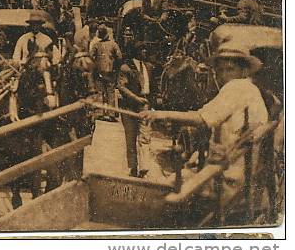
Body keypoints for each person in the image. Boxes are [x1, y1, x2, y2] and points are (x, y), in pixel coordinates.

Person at [145, 43, 268, 201]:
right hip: (240, 164)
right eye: (220, 70)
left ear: (243, 70)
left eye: (230, 69)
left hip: (228, 172)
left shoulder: (236, 87)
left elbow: (202, 118)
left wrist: (162, 114)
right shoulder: (249, 88)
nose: (223, 75)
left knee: (163, 188)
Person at [117, 28, 151, 177]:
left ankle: (144, 167)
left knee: (145, 137)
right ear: (136, 51)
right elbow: (121, 87)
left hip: (144, 106)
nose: (144, 51)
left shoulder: (148, 67)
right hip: (130, 107)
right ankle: (133, 167)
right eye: (141, 49)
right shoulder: (126, 68)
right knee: (130, 138)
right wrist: (136, 98)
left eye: (145, 49)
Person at [89, 25, 123, 114]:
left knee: (100, 91)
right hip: (111, 71)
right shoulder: (114, 44)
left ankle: (100, 112)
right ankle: (111, 113)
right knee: (110, 92)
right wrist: (116, 67)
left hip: (99, 71)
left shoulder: (96, 45)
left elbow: (91, 56)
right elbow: (119, 57)